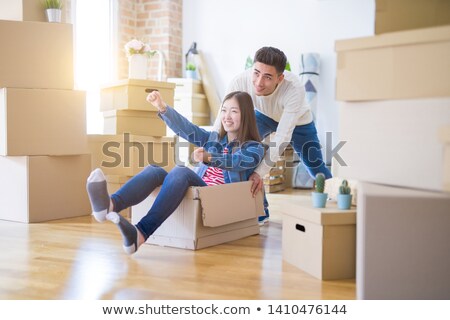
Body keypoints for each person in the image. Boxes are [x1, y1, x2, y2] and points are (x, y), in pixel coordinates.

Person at [86, 91, 265, 255]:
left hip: (217, 197)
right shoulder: (213, 139)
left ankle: (141, 233)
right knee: (155, 170)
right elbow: (188, 129)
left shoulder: (253, 147)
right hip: (197, 193)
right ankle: (110, 205)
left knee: (180, 171)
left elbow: (237, 162)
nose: (227, 116)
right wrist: (163, 108)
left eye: (234, 111)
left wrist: (209, 157)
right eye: (224, 110)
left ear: (246, 115)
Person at [214, 46, 332, 225]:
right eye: (256, 73)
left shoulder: (294, 89)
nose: (259, 82)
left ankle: (339, 200)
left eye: (268, 77)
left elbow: (282, 138)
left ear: (280, 78)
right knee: (242, 152)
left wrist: (259, 173)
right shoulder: (240, 81)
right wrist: (211, 147)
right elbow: (221, 118)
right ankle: (260, 211)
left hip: (299, 121)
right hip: (263, 115)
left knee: (315, 166)